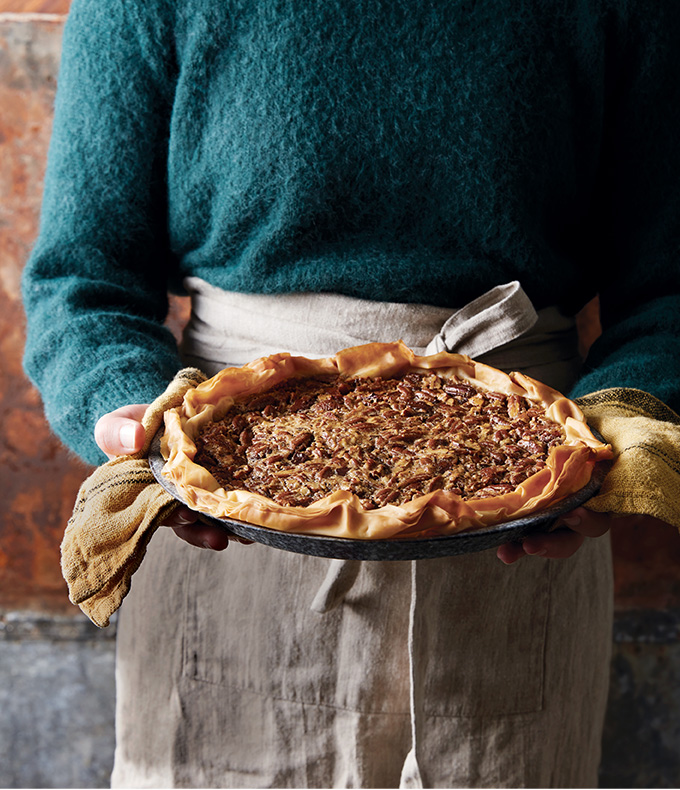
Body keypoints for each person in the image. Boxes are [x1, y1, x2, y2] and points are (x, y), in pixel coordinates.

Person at [22, 0, 680, 786]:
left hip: (526, 523)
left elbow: (667, 293)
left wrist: (616, 435)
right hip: (222, 518)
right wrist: (135, 412)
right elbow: (82, 284)